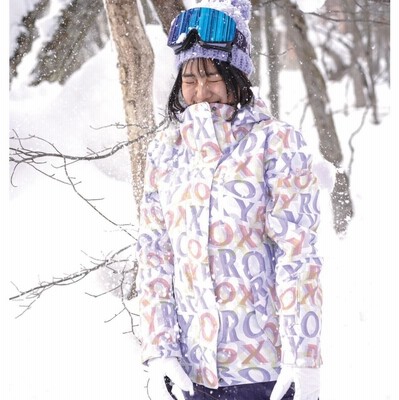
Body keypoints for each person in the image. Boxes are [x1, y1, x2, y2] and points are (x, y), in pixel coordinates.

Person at [136, 1, 322, 399]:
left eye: (212, 77)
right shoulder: (165, 152)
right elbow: (155, 257)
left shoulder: (276, 143)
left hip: (266, 375)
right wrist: (159, 352)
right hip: (189, 375)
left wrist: (302, 359)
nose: (200, 91)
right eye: (189, 79)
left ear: (236, 78)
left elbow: (297, 257)